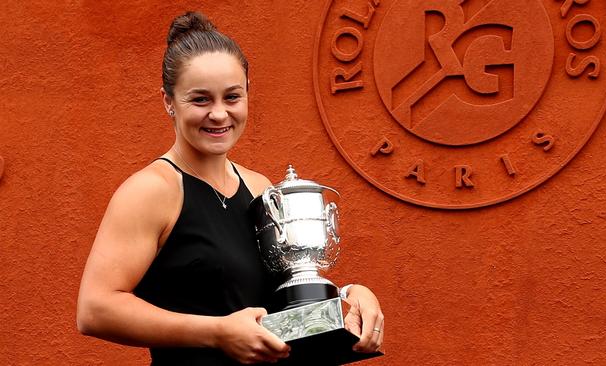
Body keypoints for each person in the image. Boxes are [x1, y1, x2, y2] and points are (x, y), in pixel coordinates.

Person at [76, 11, 384, 365]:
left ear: (248, 94)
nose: (220, 114)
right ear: (168, 101)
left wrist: (349, 297)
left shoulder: (259, 188)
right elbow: (95, 309)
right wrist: (218, 333)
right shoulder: (151, 191)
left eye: (232, 97)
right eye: (201, 99)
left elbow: (286, 304)